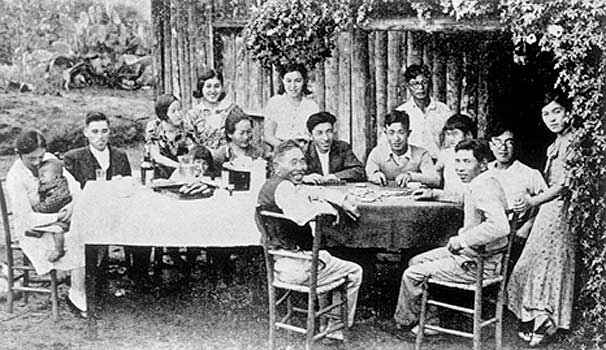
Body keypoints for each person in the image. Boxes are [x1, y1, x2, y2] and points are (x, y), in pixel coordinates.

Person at [392, 139, 509, 336]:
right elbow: (464, 198)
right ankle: (429, 321)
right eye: (458, 161)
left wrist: (462, 240)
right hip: (473, 255)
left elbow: (500, 225)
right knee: (415, 261)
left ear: (482, 164)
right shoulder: (483, 181)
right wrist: (434, 194)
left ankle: (405, 323)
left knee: (412, 274)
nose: (460, 168)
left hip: (479, 263)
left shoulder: (483, 187)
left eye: (467, 162)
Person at [257, 140, 363, 339]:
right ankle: (337, 328)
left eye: (302, 161)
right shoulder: (285, 189)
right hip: (297, 267)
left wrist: (340, 200)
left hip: (282, 264)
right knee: (354, 271)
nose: (301, 168)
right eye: (293, 162)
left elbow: (311, 191)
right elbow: (301, 214)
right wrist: (329, 208)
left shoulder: (274, 185)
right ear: (276, 166)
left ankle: (326, 322)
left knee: (327, 257)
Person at [507, 90, 575, 346]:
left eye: (557, 111)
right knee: (533, 265)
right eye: (546, 114)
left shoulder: (573, 143)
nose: (552, 118)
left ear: (568, 112)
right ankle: (540, 320)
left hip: (560, 212)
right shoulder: (555, 144)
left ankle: (545, 322)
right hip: (548, 211)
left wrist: (533, 201)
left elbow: (563, 186)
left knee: (548, 265)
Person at [6, 130, 87, 316]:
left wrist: (73, 206)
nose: (37, 162)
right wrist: (57, 217)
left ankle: (79, 283)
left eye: (40, 156)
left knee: (87, 230)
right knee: (74, 239)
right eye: (31, 158)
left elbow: (75, 188)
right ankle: (77, 293)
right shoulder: (16, 177)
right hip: (33, 229)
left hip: (61, 216)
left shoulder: (50, 160)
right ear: (19, 154)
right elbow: (26, 218)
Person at [486, 122, 547, 271]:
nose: (503, 148)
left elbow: (547, 204)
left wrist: (528, 225)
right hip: (487, 232)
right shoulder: (484, 171)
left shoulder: (529, 174)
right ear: (490, 145)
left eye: (509, 143)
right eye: (498, 142)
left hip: (515, 235)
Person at [365, 110, 441, 188]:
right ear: (385, 133)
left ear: (408, 133)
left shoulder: (422, 154)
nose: (396, 138)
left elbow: (435, 180)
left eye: (401, 133)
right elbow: (369, 173)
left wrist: (411, 176)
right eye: (391, 133)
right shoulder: (377, 153)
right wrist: (375, 175)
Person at [395, 64, 452, 160]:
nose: (420, 87)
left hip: (437, 164)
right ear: (408, 86)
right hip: (411, 165)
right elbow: (386, 143)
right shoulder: (401, 112)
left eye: (424, 82)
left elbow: (451, 142)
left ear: (429, 84)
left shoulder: (443, 110)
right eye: (415, 84)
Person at [63, 112, 132, 188]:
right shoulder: (73, 158)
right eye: (95, 132)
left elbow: (128, 187)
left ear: (109, 132)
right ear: (86, 132)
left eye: (104, 131)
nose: (100, 136)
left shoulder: (120, 156)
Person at [263, 63, 320, 149]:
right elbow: (268, 136)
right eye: (289, 81)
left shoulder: (312, 106)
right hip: (281, 149)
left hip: (305, 150)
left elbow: (316, 135)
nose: (293, 86)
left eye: (297, 81)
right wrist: (286, 148)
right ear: (282, 80)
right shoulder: (275, 103)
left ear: (304, 81)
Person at [303, 111, 365, 184]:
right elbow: (289, 174)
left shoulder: (342, 148)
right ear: (310, 135)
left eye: (329, 131)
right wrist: (304, 178)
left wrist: (335, 176)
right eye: (319, 133)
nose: (326, 138)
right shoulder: (303, 151)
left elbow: (359, 171)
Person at [30, 159, 73, 262]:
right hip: (56, 215)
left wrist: (38, 208)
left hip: (65, 218)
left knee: (57, 230)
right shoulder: (50, 186)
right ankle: (37, 231)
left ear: (56, 177)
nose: (41, 179)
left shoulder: (59, 188)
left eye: (43, 176)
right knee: (44, 223)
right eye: (39, 176)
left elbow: (52, 203)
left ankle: (59, 249)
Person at [146, 94, 194, 179]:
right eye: (173, 111)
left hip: (182, 175)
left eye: (179, 110)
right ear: (163, 114)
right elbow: (156, 156)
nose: (178, 114)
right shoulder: (154, 127)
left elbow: (193, 151)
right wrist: (180, 166)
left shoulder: (185, 127)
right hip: (158, 174)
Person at [185, 69, 235, 150]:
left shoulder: (231, 111)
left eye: (217, 86)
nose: (212, 91)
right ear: (201, 88)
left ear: (222, 88)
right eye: (208, 86)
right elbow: (189, 142)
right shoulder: (193, 115)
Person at [212, 105, 266, 171]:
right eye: (241, 133)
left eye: (248, 132)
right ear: (230, 133)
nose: (246, 137)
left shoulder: (258, 154)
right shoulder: (220, 155)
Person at [435, 114, 477, 197]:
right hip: (447, 199)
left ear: (468, 135)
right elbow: (436, 173)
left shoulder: (475, 153)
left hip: (469, 198)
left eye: (455, 134)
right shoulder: (446, 154)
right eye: (448, 134)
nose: (450, 139)